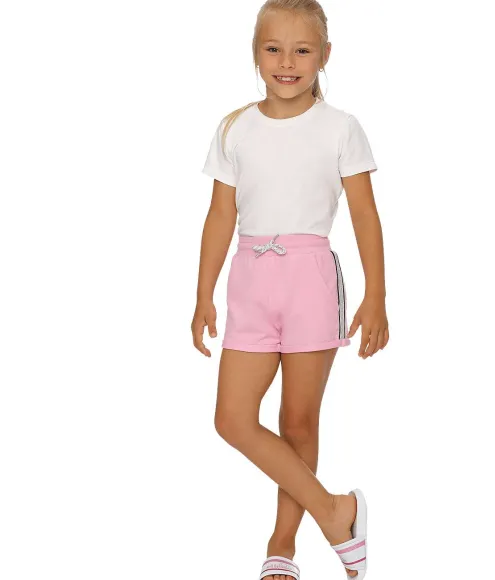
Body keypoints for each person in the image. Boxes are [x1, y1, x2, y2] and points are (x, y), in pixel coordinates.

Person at [192, 1, 389, 578]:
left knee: (299, 422)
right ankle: (336, 511)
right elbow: (220, 216)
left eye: (302, 50)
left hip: (309, 279)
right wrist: (203, 294)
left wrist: (376, 296)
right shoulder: (234, 128)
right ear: (255, 54)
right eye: (273, 49)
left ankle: (282, 546)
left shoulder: (340, 127)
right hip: (250, 280)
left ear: (325, 55)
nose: (286, 62)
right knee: (232, 418)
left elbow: (365, 214)